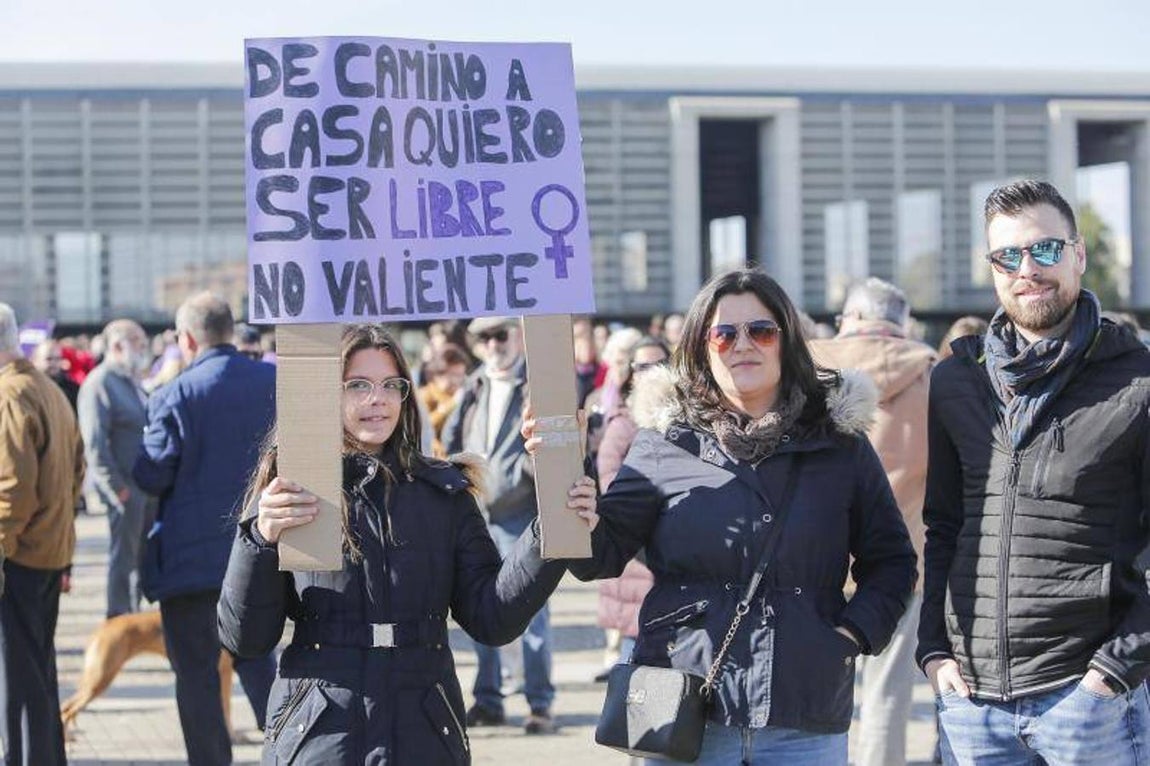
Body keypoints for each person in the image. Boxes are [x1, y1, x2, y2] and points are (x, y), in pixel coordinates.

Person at [531, 268, 917, 764]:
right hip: (685, 710)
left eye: (761, 330)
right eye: (723, 333)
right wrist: (569, 486)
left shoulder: (840, 446)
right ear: (701, 346)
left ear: (786, 341)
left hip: (804, 712)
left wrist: (849, 637)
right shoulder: (664, 442)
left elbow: (892, 561)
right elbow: (601, 557)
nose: (743, 345)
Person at [216, 324, 576, 764]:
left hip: (423, 728)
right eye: (358, 385)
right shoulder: (293, 489)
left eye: (391, 385)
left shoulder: (442, 494)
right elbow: (246, 639)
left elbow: (492, 617)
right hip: (321, 732)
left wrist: (552, 530)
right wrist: (259, 540)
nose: (377, 399)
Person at [918, 179, 1150, 765]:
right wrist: (932, 651)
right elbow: (943, 524)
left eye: (1045, 249)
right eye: (1008, 255)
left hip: (1089, 704)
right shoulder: (954, 381)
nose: (1028, 269)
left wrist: (1116, 671)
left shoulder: (1139, 380)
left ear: (1078, 254)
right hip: (973, 706)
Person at [132, 292, 277, 765]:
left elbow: (152, 474)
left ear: (188, 339)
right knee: (263, 667)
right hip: (262, 553)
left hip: (190, 564)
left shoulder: (175, 393)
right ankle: (290, 750)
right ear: (231, 332)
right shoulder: (274, 381)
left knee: (196, 680)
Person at [809, 277, 936, 766]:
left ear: (854, 318)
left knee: (808, 690)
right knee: (886, 693)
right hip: (903, 557)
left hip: (813, 554)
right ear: (900, 323)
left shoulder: (810, 368)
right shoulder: (930, 375)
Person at [441, 316, 559, 734]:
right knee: (475, 607)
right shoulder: (473, 386)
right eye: (485, 337)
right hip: (476, 513)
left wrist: (525, 474)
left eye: (500, 335)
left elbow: (551, 444)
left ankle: (539, 703)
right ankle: (488, 699)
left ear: (517, 336)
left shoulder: (536, 384)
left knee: (532, 613)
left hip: (520, 514)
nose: (493, 344)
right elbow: (451, 443)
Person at [0, 302, 85, 766]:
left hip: (20, 557)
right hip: (48, 550)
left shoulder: (11, 395)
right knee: (35, 672)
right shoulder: (46, 388)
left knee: (18, 681)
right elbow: (77, 469)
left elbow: (11, 491)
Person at [592, 336, 670, 679]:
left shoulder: (687, 420)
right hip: (637, 550)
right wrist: (644, 512)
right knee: (634, 647)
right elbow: (608, 474)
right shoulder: (623, 423)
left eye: (659, 365)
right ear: (630, 375)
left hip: (673, 548)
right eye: (642, 367)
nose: (651, 374)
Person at [78, 319, 153, 618]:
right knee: (123, 559)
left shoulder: (130, 379)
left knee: (139, 557)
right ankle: (119, 618)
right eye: (138, 343)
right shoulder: (99, 383)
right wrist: (117, 489)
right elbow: (95, 445)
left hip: (143, 487)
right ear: (118, 345)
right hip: (125, 490)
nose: (143, 349)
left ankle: (133, 617)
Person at [417, 343, 470, 458]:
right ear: (438, 374)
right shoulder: (424, 395)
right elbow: (420, 427)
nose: (458, 381)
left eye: (461, 375)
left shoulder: (465, 395)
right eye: (454, 375)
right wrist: (448, 407)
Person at [31, 339, 80, 411]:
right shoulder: (29, 387)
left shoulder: (72, 389)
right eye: (49, 359)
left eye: (57, 359)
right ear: (35, 361)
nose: (54, 363)